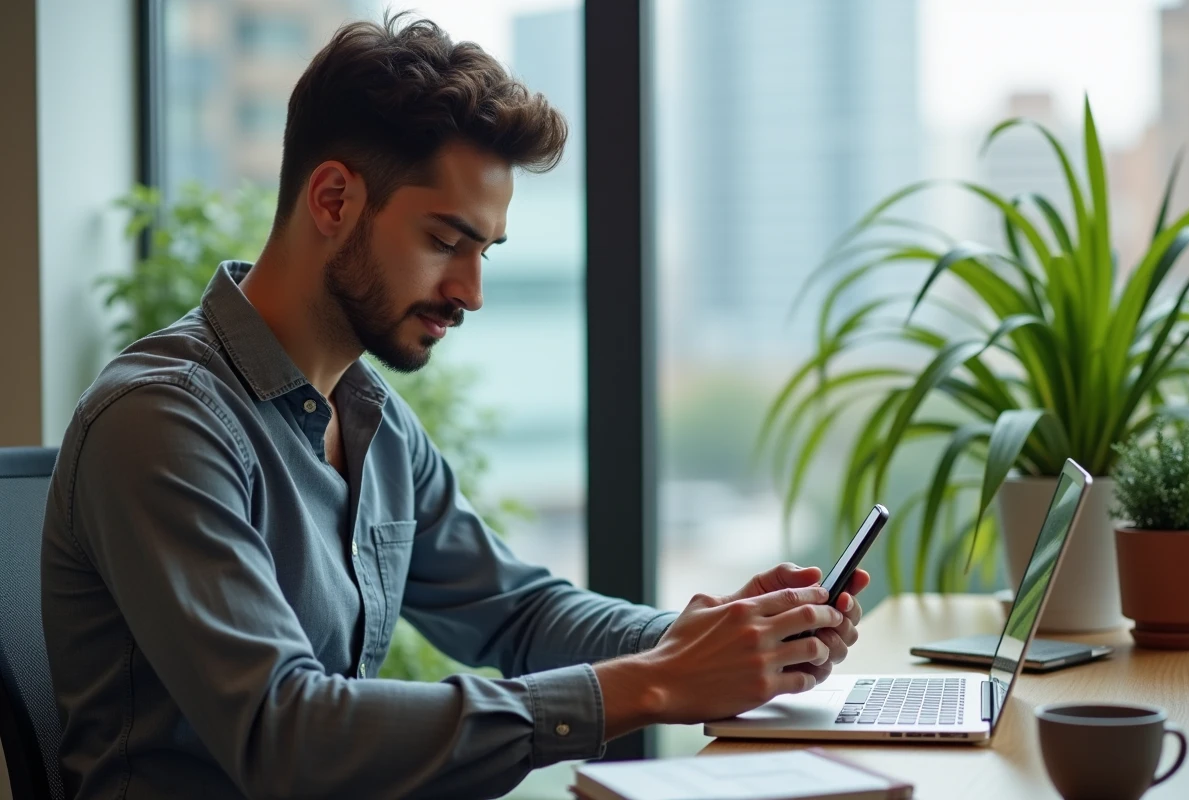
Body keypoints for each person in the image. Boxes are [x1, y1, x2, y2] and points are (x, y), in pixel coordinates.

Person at [40, 14, 869, 800]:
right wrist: (654, 683)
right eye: (445, 242)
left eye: (485, 252)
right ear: (333, 200)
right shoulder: (161, 423)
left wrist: (707, 638)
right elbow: (287, 735)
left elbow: (518, 613)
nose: (471, 292)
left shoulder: (370, 419)